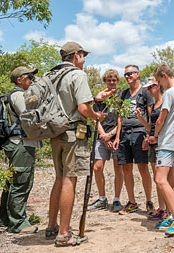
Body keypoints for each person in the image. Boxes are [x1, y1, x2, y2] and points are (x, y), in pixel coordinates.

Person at [46, 41, 109, 247]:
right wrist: (95, 115)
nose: (83, 59)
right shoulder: (77, 74)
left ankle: (52, 226)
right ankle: (64, 234)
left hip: (54, 132)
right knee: (69, 180)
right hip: (73, 134)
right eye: (83, 56)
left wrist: (94, 99)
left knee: (59, 178)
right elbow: (83, 108)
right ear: (76, 55)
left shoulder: (49, 76)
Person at [0, 66, 39, 234]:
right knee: (21, 182)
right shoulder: (19, 95)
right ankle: (18, 223)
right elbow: (29, 117)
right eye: (29, 77)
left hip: (17, 143)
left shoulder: (17, 95)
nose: (32, 80)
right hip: (21, 144)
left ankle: (4, 218)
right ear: (19, 80)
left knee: (13, 182)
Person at [149, 64, 174, 236]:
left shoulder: (170, 93)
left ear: (164, 76)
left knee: (159, 179)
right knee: (172, 180)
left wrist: (155, 136)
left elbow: (160, 120)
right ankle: (173, 216)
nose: (159, 85)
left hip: (166, 141)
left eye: (159, 81)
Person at [115, 65, 155, 215]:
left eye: (130, 74)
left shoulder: (145, 92)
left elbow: (150, 115)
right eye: (125, 74)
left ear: (137, 74)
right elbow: (119, 117)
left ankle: (149, 201)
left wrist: (148, 134)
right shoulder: (123, 94)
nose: (127, 76)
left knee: (143, 167)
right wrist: (118, 136)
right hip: (125, 133)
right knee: (126, 168)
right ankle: (132, 202)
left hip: (140, 133)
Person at [88, 69, 124, 212]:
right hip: (101, 136)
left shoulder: (122, 97)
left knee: (118, 168)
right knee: (97, 167)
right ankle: (102, 198)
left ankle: (117, 199)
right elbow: (95, 117)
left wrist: (112, 134)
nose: (112, 83)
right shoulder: (100, 97)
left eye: (114, 80)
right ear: (105, 81)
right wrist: (103, 136)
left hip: (116, 136)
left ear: (117, 81)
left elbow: (122, 118)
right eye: (109, 80)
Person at [136, 76, 171, 221]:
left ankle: (168, 209)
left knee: (162, 178)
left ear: (158, 86)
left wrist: (155, 137)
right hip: (152, 142)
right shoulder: (155, 104)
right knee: (157, 177)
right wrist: (142, 121)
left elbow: (165, 124)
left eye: (151, 87)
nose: (148, 90)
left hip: (161, 144)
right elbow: (151, 126)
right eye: (148, 88)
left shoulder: (165, 102)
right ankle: (162, 208)